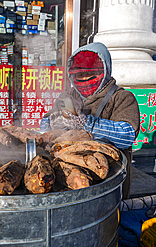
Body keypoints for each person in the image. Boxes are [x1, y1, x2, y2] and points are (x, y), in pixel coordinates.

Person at [40, 42, 140, 199]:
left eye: (91, 74)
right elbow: (45, 123)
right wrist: (51, 122)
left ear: (104, 71)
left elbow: (127, 135)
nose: (84, 79)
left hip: (107, 177)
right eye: (79, 75)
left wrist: (86, 123)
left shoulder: (121, 97)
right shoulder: (67, 97)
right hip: (70, 173)